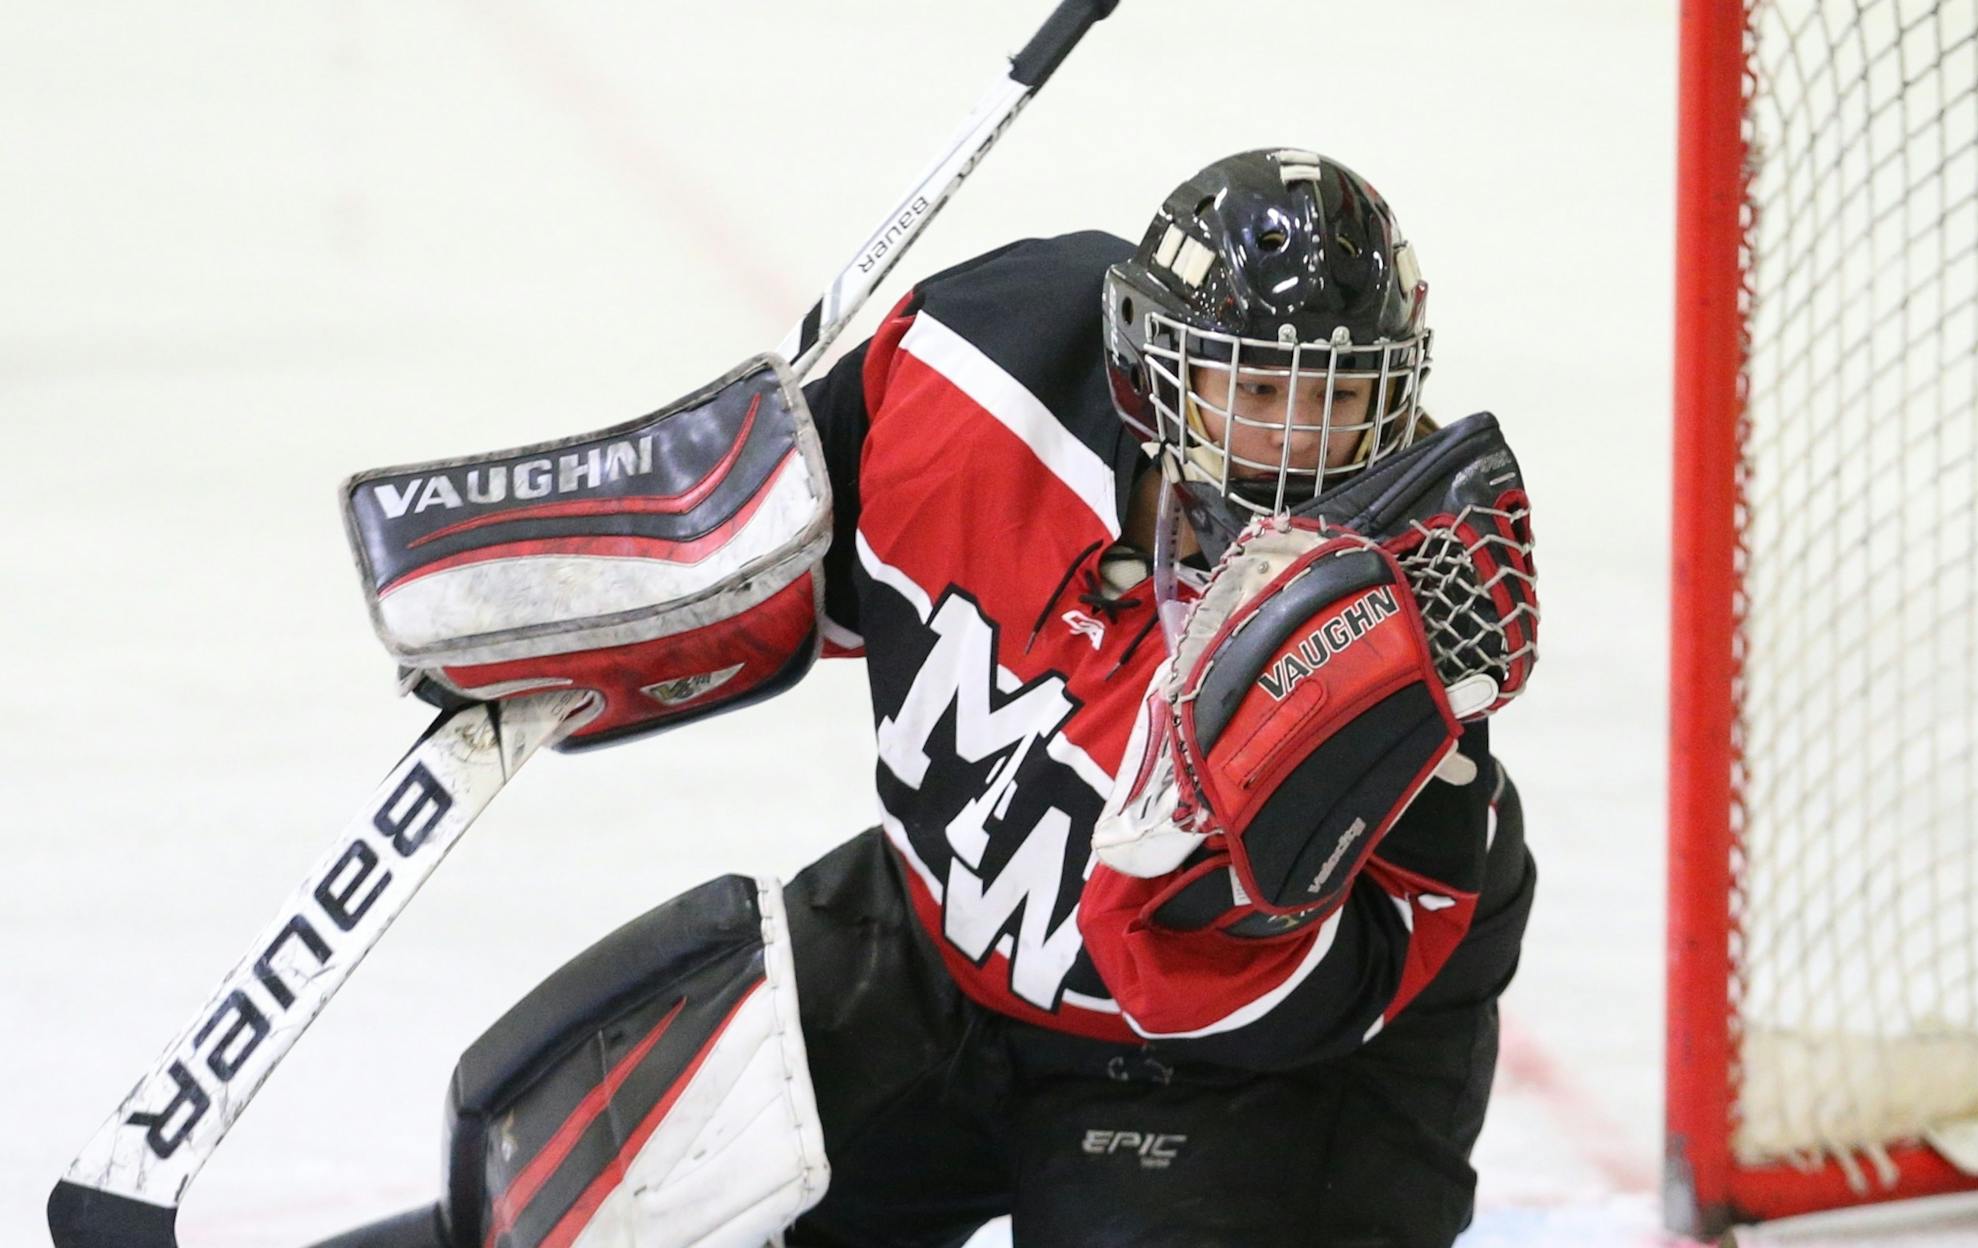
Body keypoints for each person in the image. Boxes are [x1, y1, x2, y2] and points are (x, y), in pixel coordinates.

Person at [315, 148, 1536, 1248]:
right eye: (1254, 391)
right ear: (1151, 365)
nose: (1294, 445)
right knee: (580, 1194)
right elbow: (783, 544)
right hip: (945, 937)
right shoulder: (991, 363)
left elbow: (1328, 991)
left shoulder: (1415, 614)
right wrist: (599, 604)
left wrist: (1207, 872)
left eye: (1337, 399)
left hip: (1264, 1085)